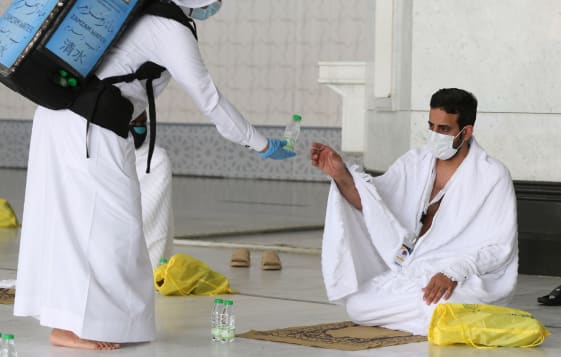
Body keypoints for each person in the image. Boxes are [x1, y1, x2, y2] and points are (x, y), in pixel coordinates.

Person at [14, 0, 294, 350]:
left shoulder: (141, 15)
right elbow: (209, 99)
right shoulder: (170, 29)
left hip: (63, 118)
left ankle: (67, 324)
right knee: (111, 229)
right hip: (88, 126)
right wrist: (260, 143)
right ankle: (82, 325)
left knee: (74, 224)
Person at [311, 88, 518, 336]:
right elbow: (375, 206)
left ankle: (440, 318)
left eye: (444, 129)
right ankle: (441, 323)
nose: (435, 135)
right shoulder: (415, 162)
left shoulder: (492, 175)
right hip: (412, 274)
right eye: (431, 127)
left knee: (441, 305)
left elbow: (499, 248)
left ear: (467, 131)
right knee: (357, 306)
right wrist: (340, 174)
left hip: (461, 275)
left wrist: (452, 272)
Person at [129, 111, 174, 270]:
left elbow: (157, 216)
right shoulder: (104, 154)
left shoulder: (156, 159)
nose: (137, 128)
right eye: (132, 123)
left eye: (141, 124)